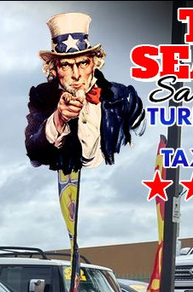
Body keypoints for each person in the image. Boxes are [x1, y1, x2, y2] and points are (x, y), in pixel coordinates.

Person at [25, 12, 144, 174]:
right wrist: (58, 119)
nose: (76, 74)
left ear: (94, 63)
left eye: (83, 63)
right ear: (53, 69)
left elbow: (141, 141)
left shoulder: (124, 97)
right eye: (66, 65)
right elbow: (34, 155)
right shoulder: (42, 97)